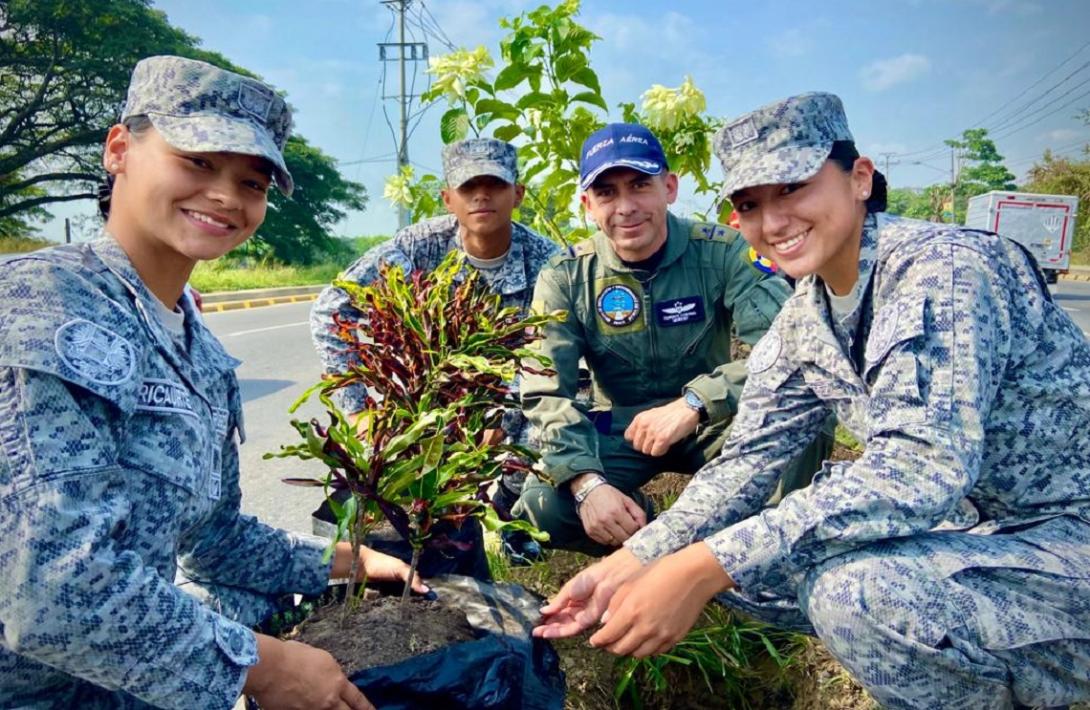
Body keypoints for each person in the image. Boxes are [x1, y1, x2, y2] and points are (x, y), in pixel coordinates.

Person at [534, 93, 1090, 709]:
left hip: (1066, 535)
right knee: (749, 569)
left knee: (850, 594)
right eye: (749, 204)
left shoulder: (943, 270)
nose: (772, 224)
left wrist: (697, 567)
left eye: (792, 187)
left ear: (859, 178)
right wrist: (629, 564)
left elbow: (916, 471)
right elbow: (744, 463)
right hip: (978, 529)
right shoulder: (807, 316)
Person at [0, 55, 427, 710]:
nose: (228, 196)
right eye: (198, 162)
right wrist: (259, 666)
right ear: (119, 149)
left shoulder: (200, 356)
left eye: (251, 182)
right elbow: (52, 593)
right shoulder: (42, 305)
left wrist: (348, 561)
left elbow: (213, 539)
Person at [514, 123, 831, 555]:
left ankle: (764, 558)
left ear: (669, 187)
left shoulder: (725, 251)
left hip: (713, 421)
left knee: (804, 426)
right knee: (545, 504)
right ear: (588, 204)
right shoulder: (566, 276)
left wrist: (697, 401)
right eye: (607, 193)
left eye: (640, 186)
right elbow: (545, 390)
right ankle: (648, 532)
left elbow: (785, 349)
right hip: (620, 426)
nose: (625, 207)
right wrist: (588, 484)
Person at [310, 137, 558, 564]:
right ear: (448, 198)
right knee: (370, 487)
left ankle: (509, 512)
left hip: (510, 398)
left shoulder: (548, 262)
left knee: (550, 427)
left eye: (494, 184)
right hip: (422, 396)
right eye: (467, 187)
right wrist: (358, 410)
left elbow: (555, 356)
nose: (481, 195)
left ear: (517, 194)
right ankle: (355, 564)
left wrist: (505, 415)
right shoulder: (417, 247)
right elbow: (331, 309)